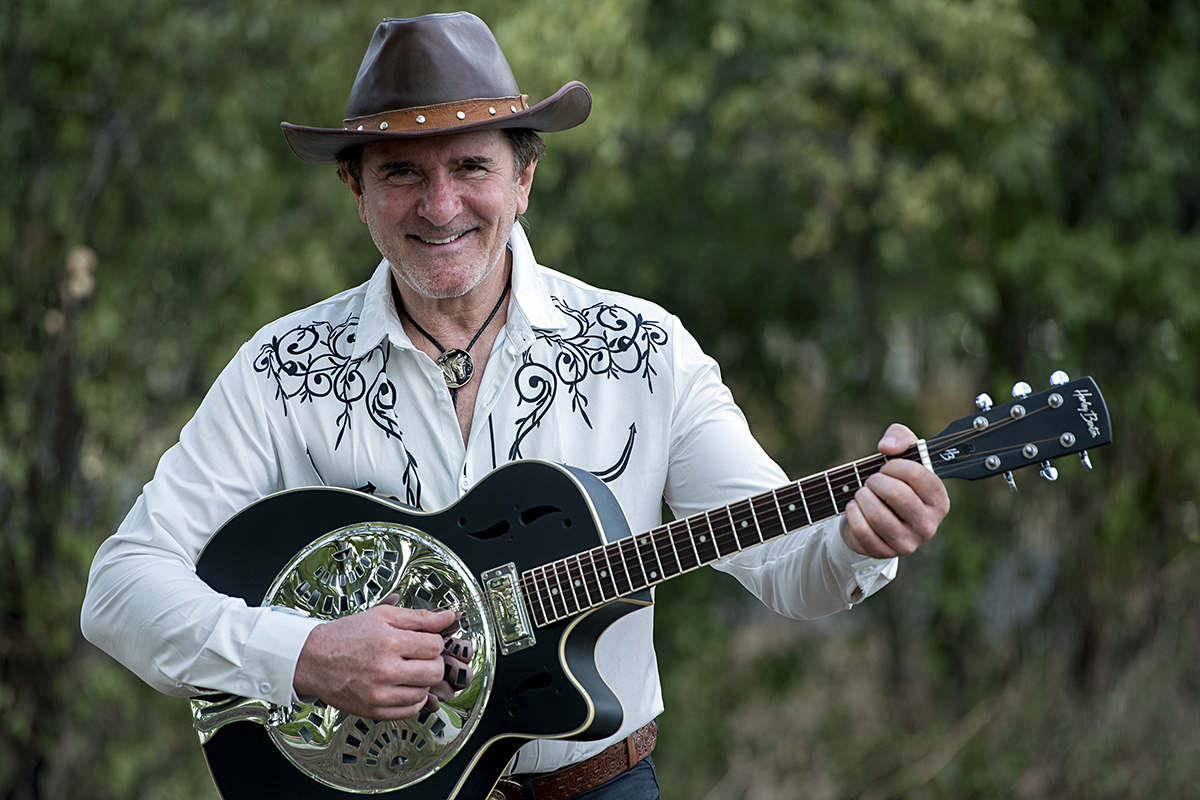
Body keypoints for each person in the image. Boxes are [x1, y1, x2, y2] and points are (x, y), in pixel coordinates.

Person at [81, 12, 949, 800]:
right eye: (402, 173)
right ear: (356, 189)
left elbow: (789, 568)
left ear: (524, 177)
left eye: (471, 166)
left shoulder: (643, 353)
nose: (441, 206)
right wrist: (304, 656)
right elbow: (121, 587)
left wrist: (859, 541)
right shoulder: (281, 371)